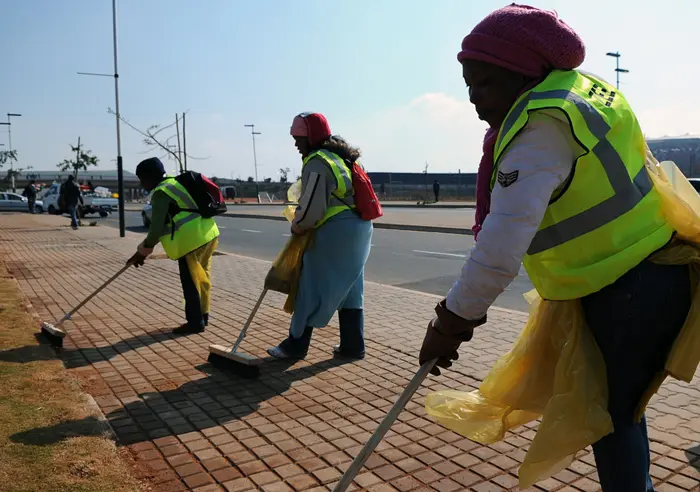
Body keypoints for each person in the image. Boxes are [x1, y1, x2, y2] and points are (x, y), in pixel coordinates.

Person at [418, 4, 690, 491]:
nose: (473, 98)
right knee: (622, 408)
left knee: (611, 417)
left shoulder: (540, 128)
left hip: (625, 288)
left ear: (524, 73)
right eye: (468, 83)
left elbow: (500, 246)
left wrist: (451, 321)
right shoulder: (584, 96)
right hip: (653, 271)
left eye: (485, 82)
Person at [267, 112, 373, 360]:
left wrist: (298, 225)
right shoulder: (343, 159)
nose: (296, 144)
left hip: (334, 231)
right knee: (351, 287)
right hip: (359, 230)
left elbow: (313, 208)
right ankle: (352, 345)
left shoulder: (317, 161)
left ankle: (294, 346)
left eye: (299, 138)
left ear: (311, 137)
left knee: (310, 286)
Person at [127, 157, 220, 335]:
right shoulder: (174, 183)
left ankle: (195, 322)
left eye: (142, 179)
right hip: (209, 233)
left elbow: (155, 228)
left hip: (191, 241)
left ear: (150, 176)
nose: (141, 183)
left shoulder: (161, 193)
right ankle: (203, 316)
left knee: (191, 283)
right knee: (202, 278)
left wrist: (142, 252)